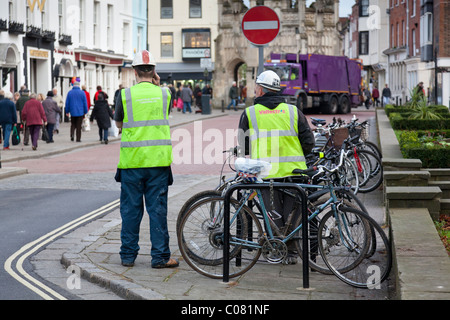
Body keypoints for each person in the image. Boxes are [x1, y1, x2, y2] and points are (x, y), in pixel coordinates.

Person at [237, 70, 315, 263]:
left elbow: (244, 146)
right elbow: (309, 142)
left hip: (265, 174)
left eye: (256, 87)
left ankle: (276, 251)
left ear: (262, 90)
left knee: (273, 215)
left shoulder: (250, 113)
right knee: (292, 216)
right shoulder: (293, 111)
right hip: (294, 173)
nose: (255, 90)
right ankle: (292, 252)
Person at [114, 49, 178, 269]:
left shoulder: (124, 95)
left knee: (130, 210)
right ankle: (160, 257)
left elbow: (120, 125)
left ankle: (128, 256)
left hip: (132, 163)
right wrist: (157, 84)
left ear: (134, 71)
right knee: (157, 210)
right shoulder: (165, 93)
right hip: (158, 163)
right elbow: (165, 113)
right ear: (154, 71)